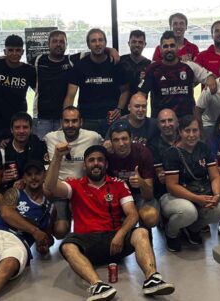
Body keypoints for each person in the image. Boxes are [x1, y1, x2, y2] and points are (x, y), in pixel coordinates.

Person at [45, 145, 175, 300]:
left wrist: (120, 234)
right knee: (67, 246)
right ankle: (97, 285)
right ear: (85, 165)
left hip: (114, 242)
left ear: (106, 164)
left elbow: (132, 214)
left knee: (141, 232)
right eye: (91, 160)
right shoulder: (74, 185)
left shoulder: (118, 184)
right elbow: (50, 187)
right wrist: (57, 157)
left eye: (100, 160)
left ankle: (152, 278)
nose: (96, 163)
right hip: (87, 243)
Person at [0, 160, 53, 301]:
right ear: (23, 177)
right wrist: (34, 231)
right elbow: (6, 213)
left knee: (8, 266)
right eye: (29, 174)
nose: (33, 178)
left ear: (44, 175)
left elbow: (46, 238)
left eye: (37, 173)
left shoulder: (50, 208)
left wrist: (43, 245)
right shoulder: (14, 193)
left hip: (20, 242)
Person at [160, 116, 220, 252]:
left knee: (218, 209)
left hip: (200, 192)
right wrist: (196, 199)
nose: (191, 135)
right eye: (187, 131)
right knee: (188, 212)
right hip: (175, 196)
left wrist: (217, 195)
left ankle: (193, 229)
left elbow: (215, 176)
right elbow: (172, 186)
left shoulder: (204, 148)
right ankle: (171, 234)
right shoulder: (172, 153)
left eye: (195, 130)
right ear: (180, 132)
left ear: (200, 131)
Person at [43, 106, 104, 239]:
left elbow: (107, 146)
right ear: (61, 122)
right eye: (66, 121)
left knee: (90, 228)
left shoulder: (93, 137)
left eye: (74, 121)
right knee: (60, 231)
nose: (70, 125)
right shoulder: (50, 138)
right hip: (60, 189)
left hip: (84, 190)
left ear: (81, 122)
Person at [138, 30, 216, 120]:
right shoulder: (152, 69)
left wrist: (210, 79)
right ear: (160, 49)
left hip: (186, 122)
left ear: (177, 47)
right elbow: (141, 93)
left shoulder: (189, 66)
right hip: (161, 122)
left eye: (172, 45)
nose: (169, 49)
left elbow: (209, 76)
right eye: (165, 46)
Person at [64, 28, 129, 135]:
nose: (97, 44)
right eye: (93, 41)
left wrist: (119, 109)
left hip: (111, 118)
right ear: (88, 45)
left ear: (105, 43)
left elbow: (125, 90)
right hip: (87, 119)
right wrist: (66, 119)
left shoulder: (115, 64)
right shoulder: (80, 66)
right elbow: (70, 96)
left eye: (100, 40)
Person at [0, 35, 37, 141]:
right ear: (4, 51)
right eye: (10, 50)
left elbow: (39, 91)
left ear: (22, 52)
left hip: (18, 121)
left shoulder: (29, 70)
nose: (14, 53)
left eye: (18, 50)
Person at [104, 121, 159, 229]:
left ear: (131, 138)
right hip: (116, 196)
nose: (121, 143)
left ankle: (145, 232)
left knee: (150, 217)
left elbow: (149, 195)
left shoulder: (143, 153)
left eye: (124, 138)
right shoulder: (106, 155)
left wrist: (141, 183)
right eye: (116, 140)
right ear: (111, 142)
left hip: (140, 195)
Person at [34, 30, 82, 138]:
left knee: (63, 146)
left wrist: (110, 50)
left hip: (63, 118)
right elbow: (15, 60)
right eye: (55, 41)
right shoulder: (39, 60)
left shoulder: (71, 60)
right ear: (48, 44)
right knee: (41, 147)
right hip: (41, 118)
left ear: (66, 44)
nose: (58, 44)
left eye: (62, 42)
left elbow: (93, 51)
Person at [0, 112, 47, 192]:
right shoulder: (3, 149)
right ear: (11, 130)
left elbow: (46, 172)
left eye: (25, 127)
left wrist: (25, 180)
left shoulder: (39, 145)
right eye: (17, 127)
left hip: (35, 189)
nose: (21, 131)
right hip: (10, 191)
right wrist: (2, 179)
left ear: (31, 129)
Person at [148, 109, 180, 203]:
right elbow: (162, 177)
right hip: (166, 193)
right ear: (158, 125)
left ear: (177, 122)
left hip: (191, 187)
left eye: (170, 120)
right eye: (163, 121)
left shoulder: (186, 139)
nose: (167, 124)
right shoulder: (152, 145)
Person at [118, 30, 151, 112]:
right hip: (120, 108)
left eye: (140, 42)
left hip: (140, 109)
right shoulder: (120, 61)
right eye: (134, 42)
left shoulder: (149, 65)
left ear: (145, 44)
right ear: (128, 43)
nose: (137, 45)